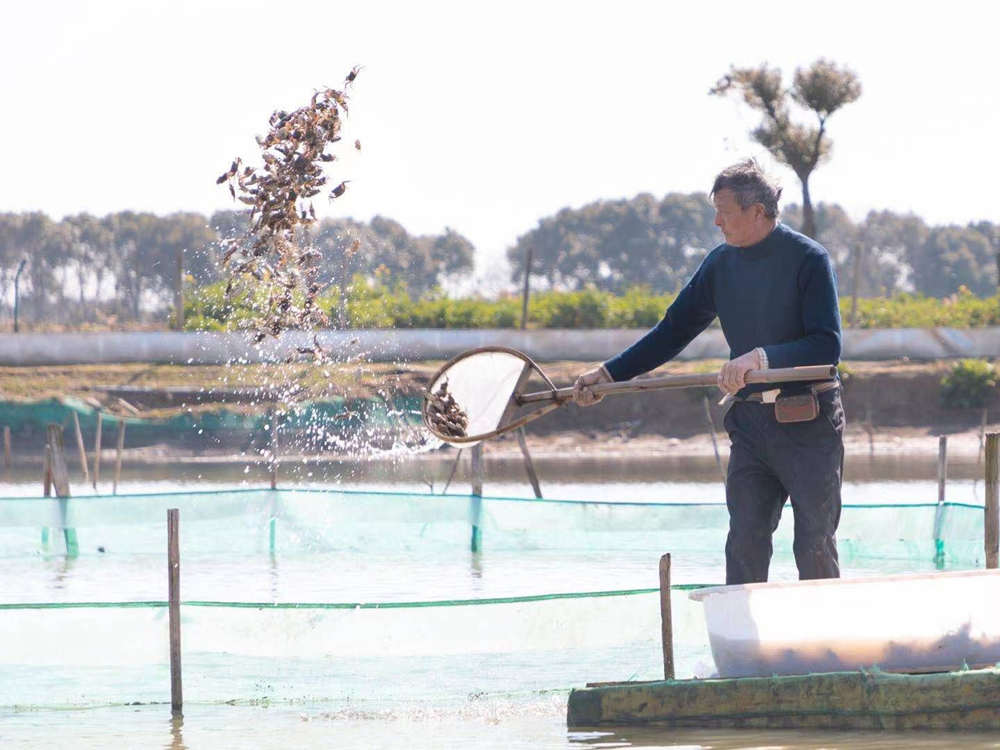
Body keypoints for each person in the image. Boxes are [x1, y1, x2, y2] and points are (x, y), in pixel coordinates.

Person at [573, 158, 845, 585]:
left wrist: (760, 358)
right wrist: (610, 375)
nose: (717, 222)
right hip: (751, 426)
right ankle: (745, 647)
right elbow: (671, 332)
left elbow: (826, 344)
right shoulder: (720, 265)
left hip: (808, 422)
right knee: (745, 542)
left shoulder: (809, 259)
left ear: (757, 212)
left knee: (813, 542)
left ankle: (821, 645)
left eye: (724, 212)